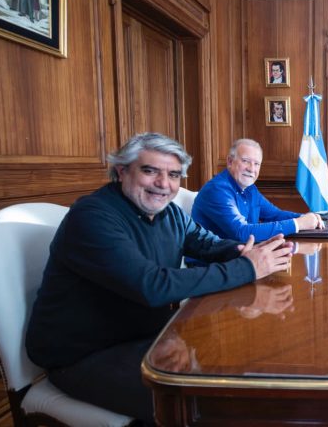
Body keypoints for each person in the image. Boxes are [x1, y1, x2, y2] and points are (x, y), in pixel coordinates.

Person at [25, 133, 293, 423]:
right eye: (150, 171)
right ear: (122, 171)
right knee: (205, 406)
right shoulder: (92, 216)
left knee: (240, 376)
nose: (163, 184)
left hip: (148, 335)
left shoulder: (171, 213)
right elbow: (153, 286)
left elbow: (207, 244)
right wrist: (248, 268)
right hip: (84, 354)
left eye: (173, 174)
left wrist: (246, 251)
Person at [192, 138, 323, 242]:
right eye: (245, 161)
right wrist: (298, 224)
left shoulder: (250, 189)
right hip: (211, 266)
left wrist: (306, 218)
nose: (251, 169)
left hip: (239, 259)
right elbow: (241, 232)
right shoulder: (217, 190)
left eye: (256, 164)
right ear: (230, 162)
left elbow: (274, 215)